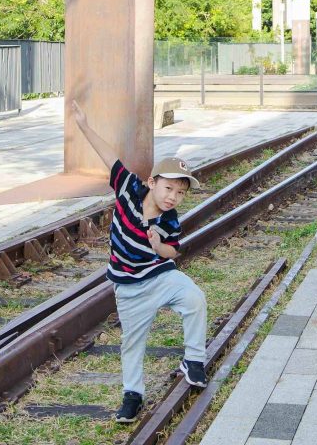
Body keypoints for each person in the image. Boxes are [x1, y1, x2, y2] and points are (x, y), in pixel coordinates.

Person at [68, 100, 208, 424]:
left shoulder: (170, 220)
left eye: (180, 193)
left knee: (194, 298)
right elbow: (109, 156)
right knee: (133, 342)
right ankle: (132, 394)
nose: (172, 197)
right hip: (129, 286)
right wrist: (84, 125)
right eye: (168, 188)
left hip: (160, 276)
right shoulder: (128, 188)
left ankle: (194, 360)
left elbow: (175, 252)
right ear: (152, 182)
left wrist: (159, 246)